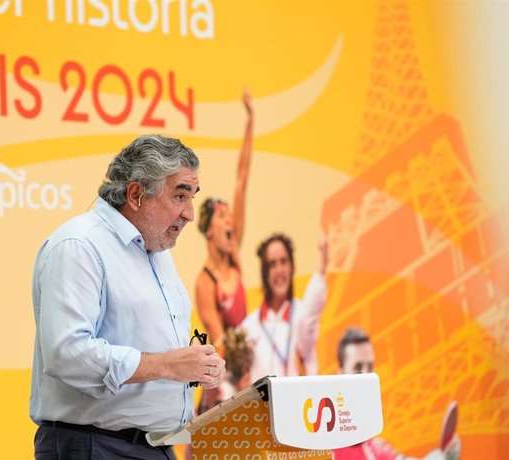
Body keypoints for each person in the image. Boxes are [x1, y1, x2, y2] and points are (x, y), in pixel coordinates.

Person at [29, 135, 226, 460]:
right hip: (94, 447)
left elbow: (153, 348)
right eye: (180, 195)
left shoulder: (158, 252)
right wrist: (167, 365)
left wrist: (197, 366)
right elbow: (67, 354)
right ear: (136, 194)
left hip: (156, 447)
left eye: (192, 197)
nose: (190, 213)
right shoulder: (80, 245)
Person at [333, 327, 461, 460]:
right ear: (341, 375)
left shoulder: (377, 449)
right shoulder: (322, 447)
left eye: (370, 367)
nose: (366, 374)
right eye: (358, 367)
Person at [195, 87, 254, 350]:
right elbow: (221, 344)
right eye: (222, 217)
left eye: (229, 216)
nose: (230, 221)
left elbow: (241, 180)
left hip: (246, 362)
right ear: (209, 231)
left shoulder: (233, 250)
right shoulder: (205, 283)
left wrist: (251, 122)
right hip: (226, 374)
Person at [240, 233, 328, 381]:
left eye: (283, 261)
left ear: (292, 267)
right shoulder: (249, 326)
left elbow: (311, 312)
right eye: (272, 264)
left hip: (300, 403)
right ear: (264, 273)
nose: (279, 270)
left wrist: (322, 268)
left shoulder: (302, 315)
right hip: (263, 404)